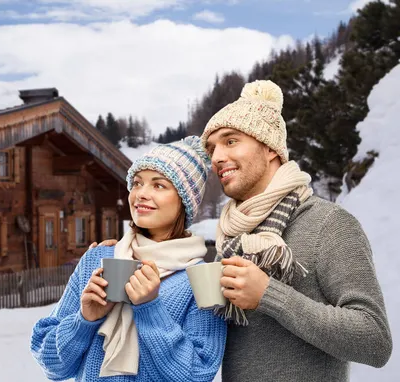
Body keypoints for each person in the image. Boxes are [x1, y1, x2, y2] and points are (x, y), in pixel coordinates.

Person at [93, 80, 392, 382]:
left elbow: (375, 340)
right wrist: (128, 247)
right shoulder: (232, 237)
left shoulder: (329, 224)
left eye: (230, 141)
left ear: (270, 148)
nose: (216, 157)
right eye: (212, 148)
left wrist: (269, 295)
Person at [30, 136, 227, 381]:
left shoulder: (204, 280)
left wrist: (150, 309)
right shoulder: (98, 258)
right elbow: (52, 364)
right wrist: (85, 319)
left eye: (159, 185)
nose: (141, 194)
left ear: (184, 202)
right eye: (136, 183)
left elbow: (198, 374)